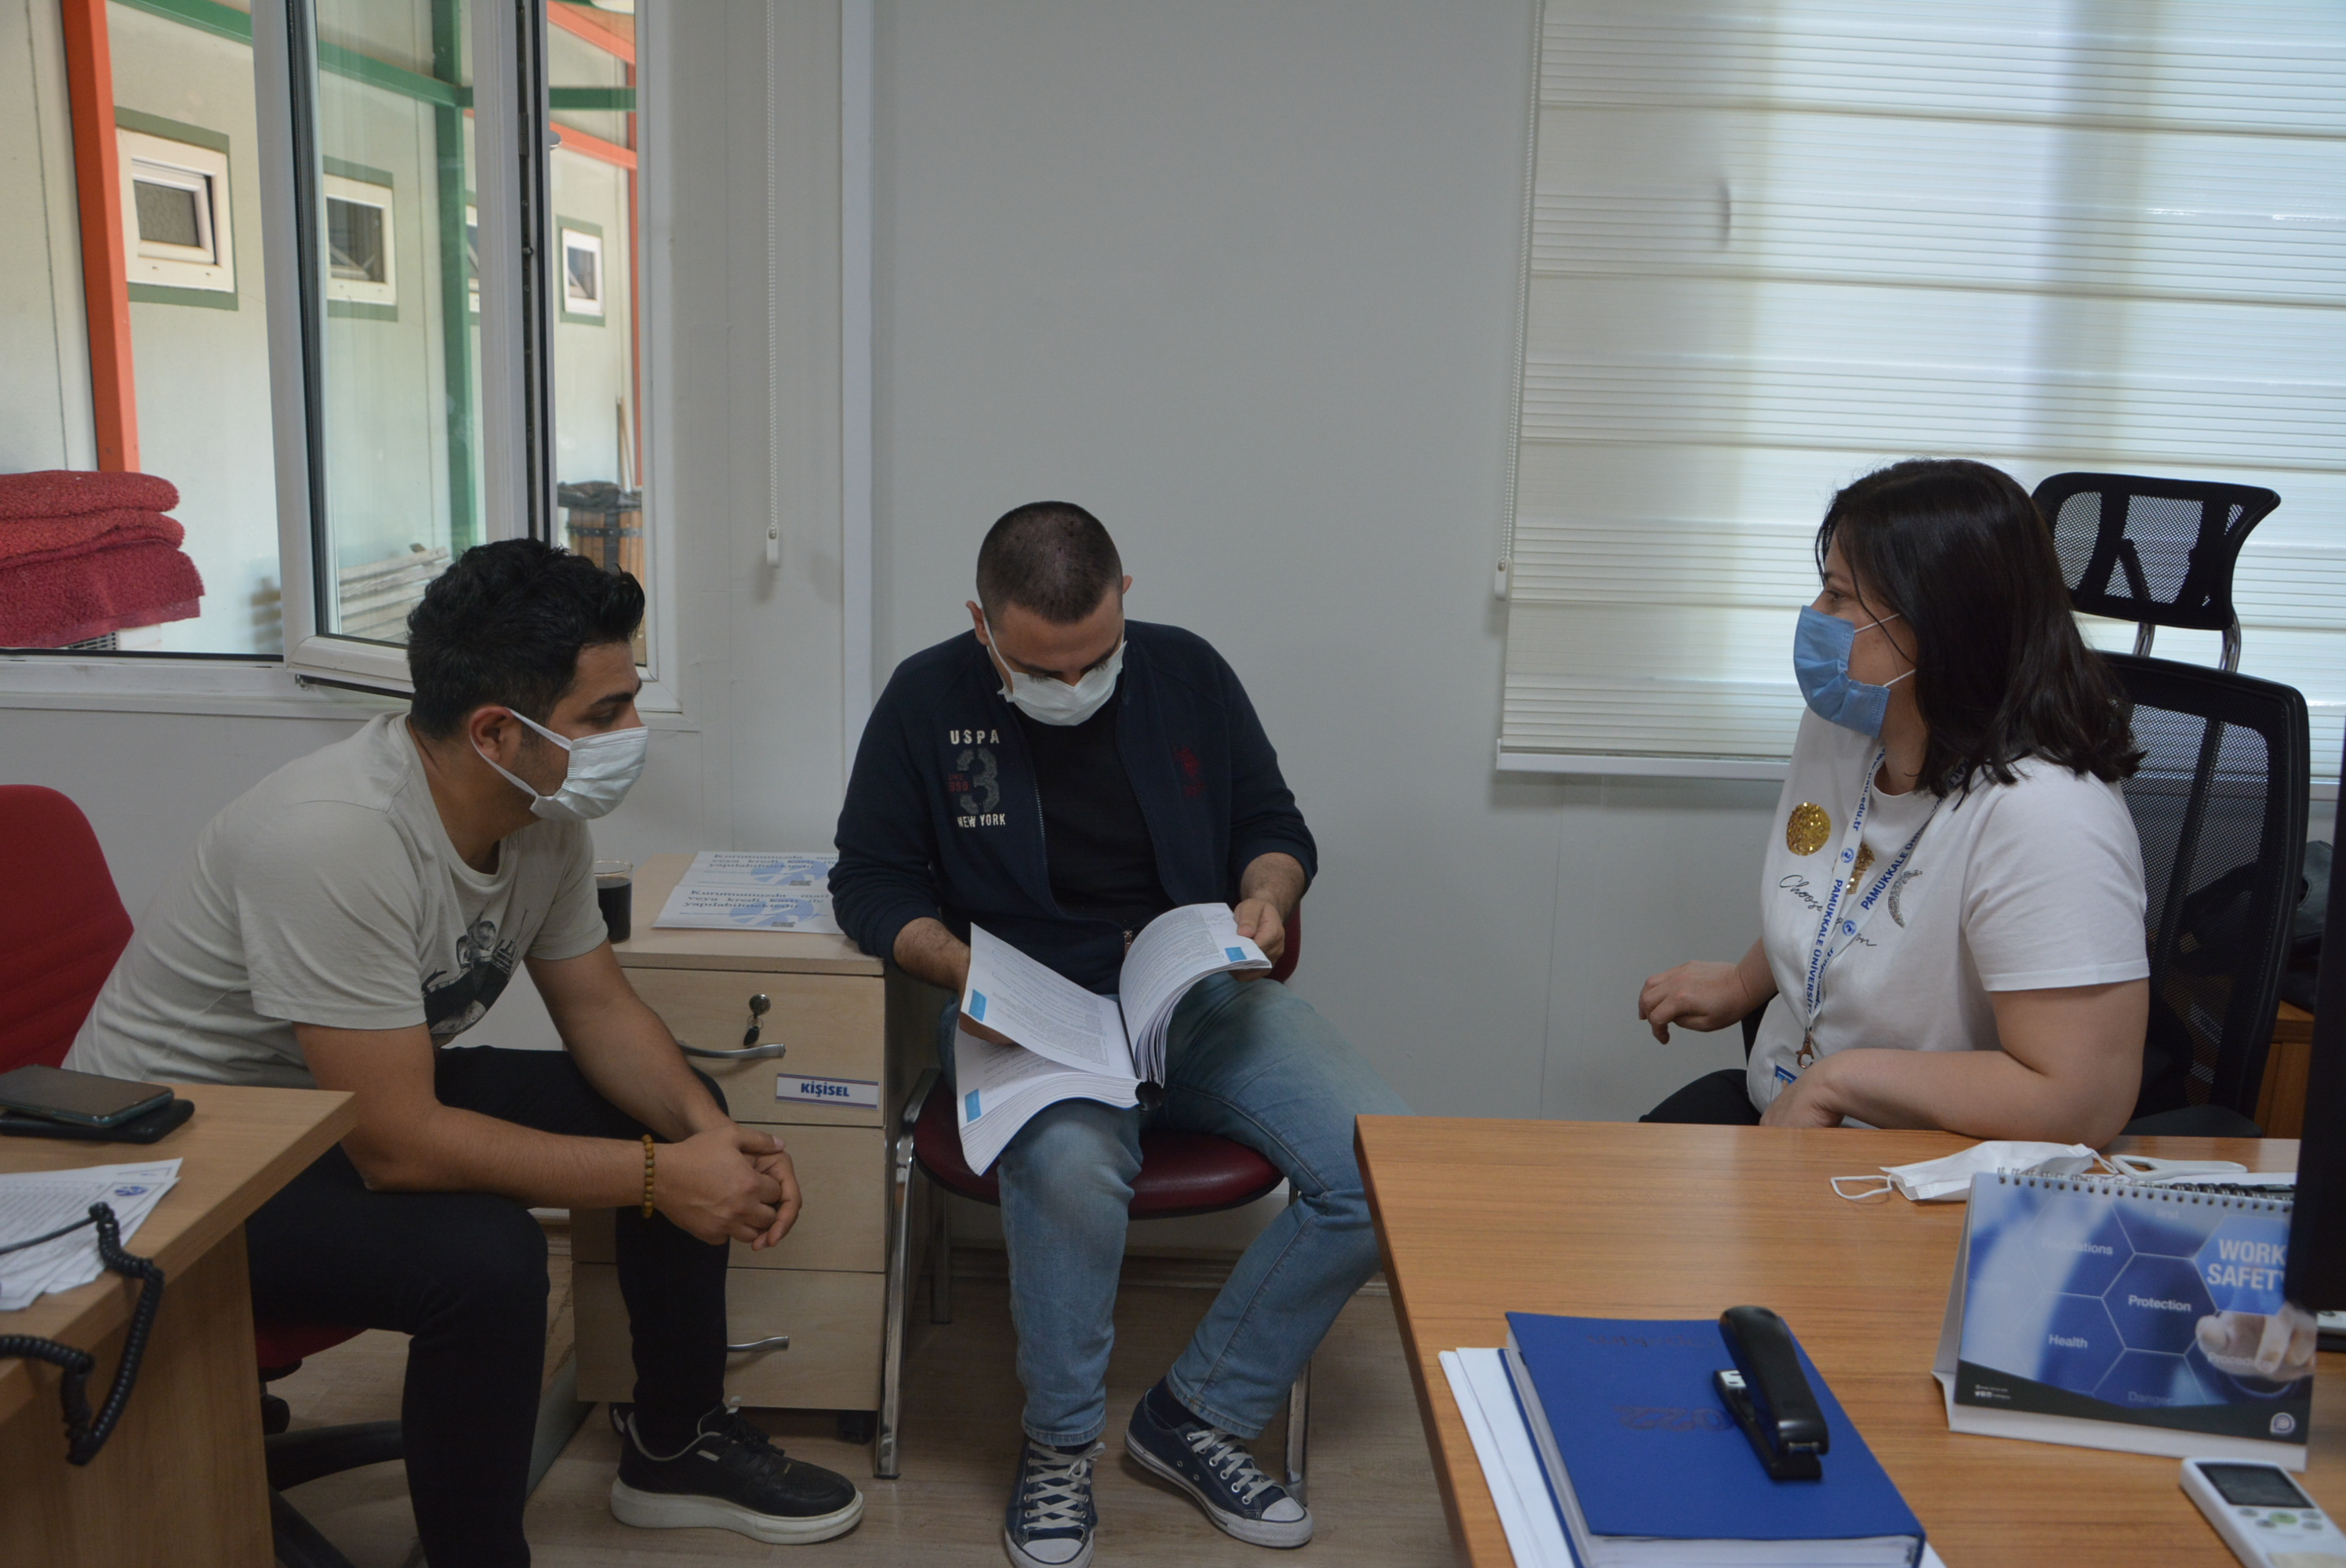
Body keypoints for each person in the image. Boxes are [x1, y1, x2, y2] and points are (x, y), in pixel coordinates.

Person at [67, 540, 861, 1566]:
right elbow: (398, 1147)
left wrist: (712, 1142)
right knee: (487, 1260)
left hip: (327, 1107)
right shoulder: (334, 836)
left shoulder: (539, 813)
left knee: (670, 1102)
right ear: (496, 731)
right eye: (606, 712)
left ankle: (674, 1444)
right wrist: (665, 1178)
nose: (633, 733)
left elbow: (601, 1011)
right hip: (176, 1169)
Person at [831, 502, 1407, 1568]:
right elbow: (868, 880)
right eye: (1038, 669)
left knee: (1383, 1166)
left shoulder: (1188, 673)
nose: (1071, 686)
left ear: (1125, 600)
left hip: (1192, 998)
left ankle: (1194, 1414)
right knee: (1068, 1165)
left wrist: (1268, 894)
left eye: (1094, 660)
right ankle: (1059, 1446)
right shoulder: (925, 698)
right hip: (1028, 1009)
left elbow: (1273, 826)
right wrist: (960, 966)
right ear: (982, 625)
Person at [1636, 459, 2150, 1143]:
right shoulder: (1846, 727)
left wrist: (1840, 1081)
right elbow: (1842, 898)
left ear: (1937, 626)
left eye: (1838, 596)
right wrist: (1741, 984)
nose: (1815, 617)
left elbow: (2080, 1098)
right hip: (1789, 1114)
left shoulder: (2049, 815)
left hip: (1919, 1166)